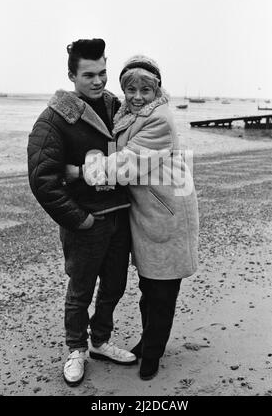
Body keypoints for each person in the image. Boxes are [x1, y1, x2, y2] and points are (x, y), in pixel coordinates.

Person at [66, 55, 199, 380]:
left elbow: (127, 163)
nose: (137, 96)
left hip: (167, 214)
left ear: (158, 90)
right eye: (130, 89)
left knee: (162, 292)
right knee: (147, 289)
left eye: (145, 89)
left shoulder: (160, 119)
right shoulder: (129, 113)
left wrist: (80, 172)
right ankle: (146, 342)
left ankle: (152, 355)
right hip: (147, 214)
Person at [27, 39, 137, 387]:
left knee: (115, 286)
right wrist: (79, 219)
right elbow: (43, 180)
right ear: (71, 75)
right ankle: (77, 349)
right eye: (88, 74)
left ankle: (101, 340)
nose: (98, 80)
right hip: (86, 222)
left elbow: (142, 145)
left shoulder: (118, 108)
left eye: (103, 72)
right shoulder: (54, 119)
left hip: (120, 216)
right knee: (80, 291)